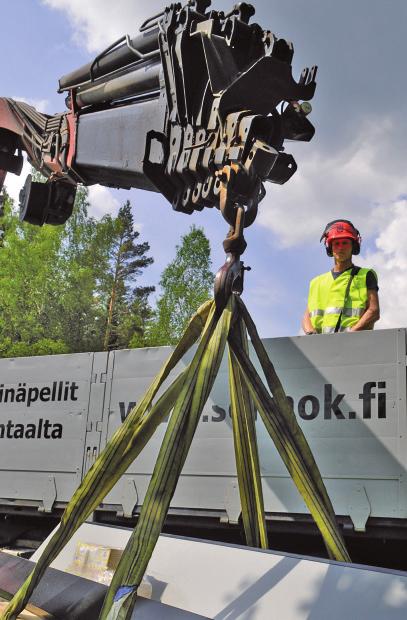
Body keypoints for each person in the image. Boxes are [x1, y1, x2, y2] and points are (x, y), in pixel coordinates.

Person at [302, 220, 380, 334]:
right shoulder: (316, 282)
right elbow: (307, 315)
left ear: (353, 246)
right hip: (319, 348)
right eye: (336, 243)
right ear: (330, 248)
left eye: (345, 243)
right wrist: (310, 333)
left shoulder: (365, 275)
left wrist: (349, 335)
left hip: (355, 346)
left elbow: (373, 311)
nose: (340, 248)